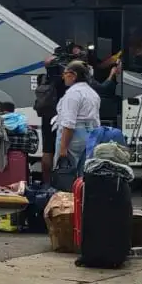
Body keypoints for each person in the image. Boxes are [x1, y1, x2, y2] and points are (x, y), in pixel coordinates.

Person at [35, 42, 83, 182]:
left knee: (47, 150)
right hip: (62, 115)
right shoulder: (68, 72)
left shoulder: (49, 71)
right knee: (63, 150)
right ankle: (64, 181)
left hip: (47, 115)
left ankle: (47, 182)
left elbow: (47, 61)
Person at [52, 60, 101, 192]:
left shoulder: (73, 94)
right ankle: (81, 205)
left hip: (73, 136)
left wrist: (63, 149)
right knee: (83, 175)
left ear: (73, 75)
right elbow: (96, 121)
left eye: (65, 73)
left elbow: (69, 123)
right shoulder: (92, 93)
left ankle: (66, 206)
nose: (63, 77)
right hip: (90, 134)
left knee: (66, 173)